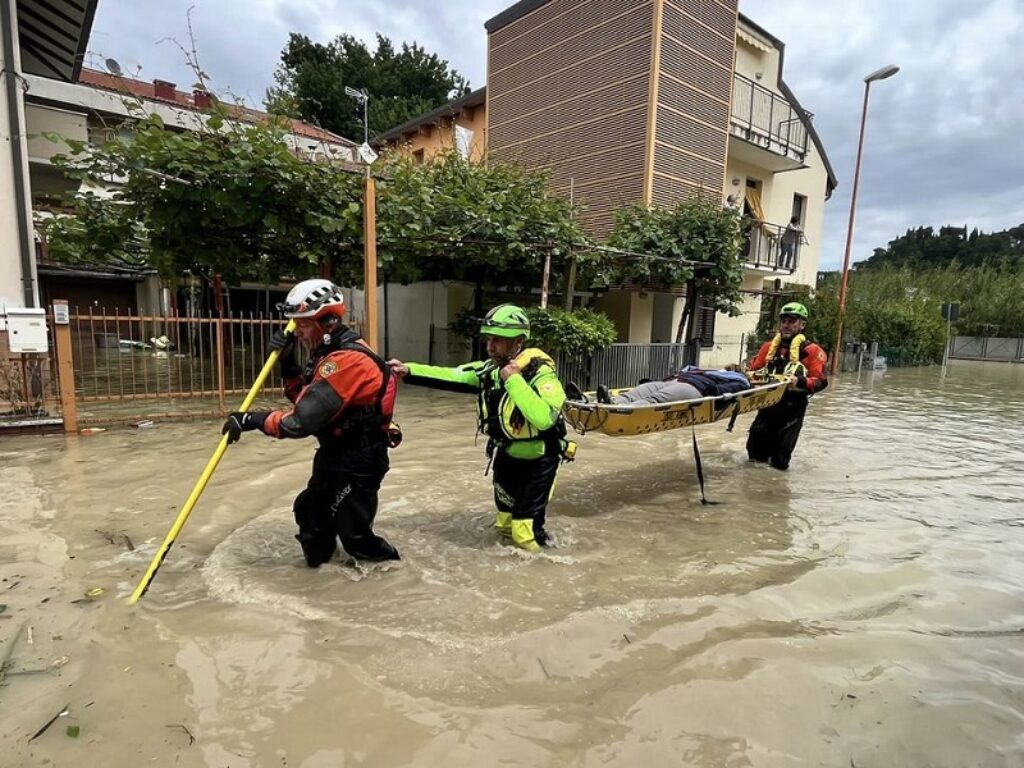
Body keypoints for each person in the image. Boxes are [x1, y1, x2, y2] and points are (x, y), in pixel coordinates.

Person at [221, 278, 401, 567]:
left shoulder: (346, 361)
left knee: (355, 537)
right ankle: (321, 581)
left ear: (327, 322)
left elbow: (299, 423)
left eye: (302, 324)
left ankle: (396, 577)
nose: (296, 331)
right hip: (334, 453)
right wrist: (288, 361)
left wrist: (251, 419)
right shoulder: (326, 354)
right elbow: (302, 400)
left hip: (359, 459)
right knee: (310, 513)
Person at [388, 304, 569, 553]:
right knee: (504, 524)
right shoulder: (489, 371)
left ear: (518, 342)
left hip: (540, 461)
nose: (490, 346)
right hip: (506, 457)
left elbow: (544, 418)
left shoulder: (542, 375)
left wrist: (514, 379)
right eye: (488, 339)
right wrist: (409, 370)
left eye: (497, 340)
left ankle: (545, 572)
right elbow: (454, 375)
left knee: (524, 532)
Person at [744, 301, 828, 471]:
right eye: (784, 321)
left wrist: (800, 381)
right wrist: (740, 373)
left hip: (793, 408)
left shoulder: (812, 351)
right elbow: (753, 371)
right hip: (767, 405)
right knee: (754, 453)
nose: (786, 325)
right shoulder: (768, 348)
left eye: (792, 321)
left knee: (780, 460)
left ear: (802, 324)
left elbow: (820, 381)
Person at [595, 366, 751, 405]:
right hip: (671, 381)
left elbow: (737, 389)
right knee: (633, 394)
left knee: (653, 400)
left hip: (695, 388)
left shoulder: (737, 379)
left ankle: (619, 411)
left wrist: (715, 391)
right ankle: (609, 402)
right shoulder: (702, 370)